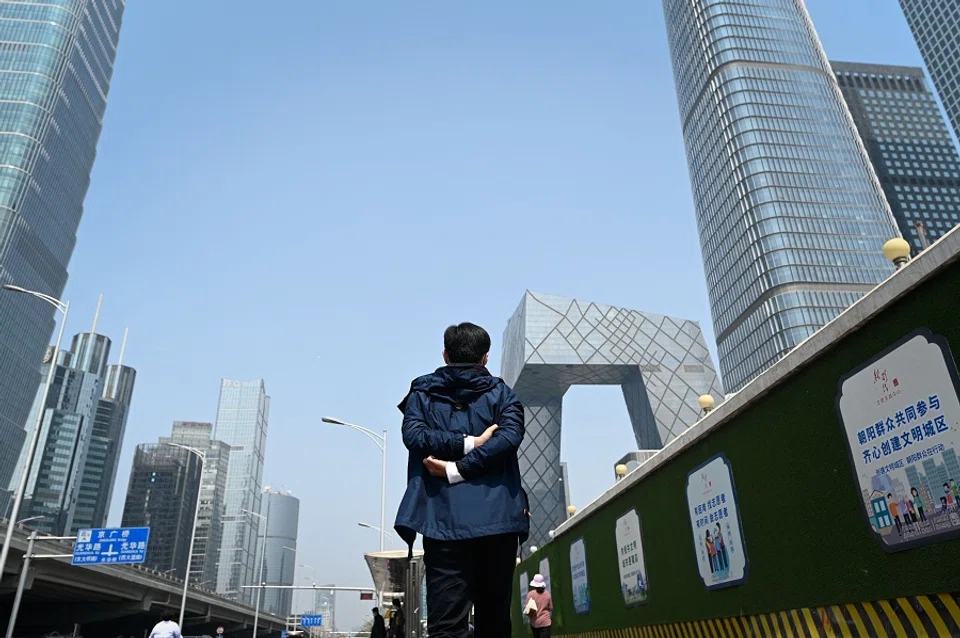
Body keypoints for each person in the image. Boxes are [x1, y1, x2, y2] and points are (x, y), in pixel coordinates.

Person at [394, 322, 530, 638]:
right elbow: (509, 438)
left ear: (445, 354)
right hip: (498, 521)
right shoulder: (504, 396)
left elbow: (414, 436)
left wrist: (454, 469)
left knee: (446, 624)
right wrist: (473, 443)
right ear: (485, 357)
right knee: (494, 619)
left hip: (442, 522)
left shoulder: (422, 394)